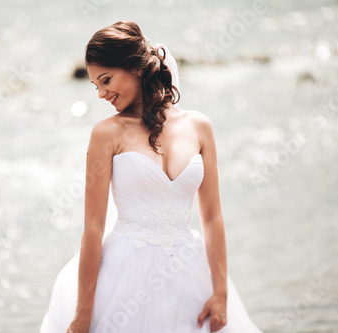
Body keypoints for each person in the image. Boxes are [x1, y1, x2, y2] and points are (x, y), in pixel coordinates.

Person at [40, 20, 262, 333]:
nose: (102, 94)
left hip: (189, 273)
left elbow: (212, 217)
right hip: (124, 275)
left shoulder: (200, 127)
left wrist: (221, 292)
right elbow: (93, 227)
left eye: (106, 80)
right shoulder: (106, 133)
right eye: (96, 86)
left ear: (136, 68)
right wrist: (83, 313)